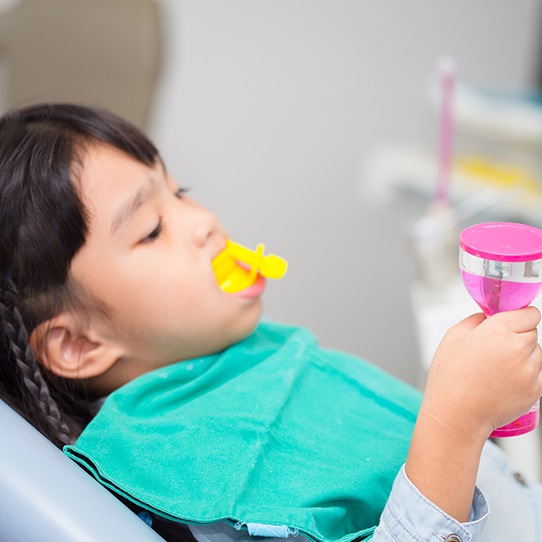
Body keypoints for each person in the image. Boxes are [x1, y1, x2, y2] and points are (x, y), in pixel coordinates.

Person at [1, 103, 542, 542]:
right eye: (151, 229)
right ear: (76, 343)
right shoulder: (188, 475)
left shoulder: (243, 357)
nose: (204, 221)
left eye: (181, 191)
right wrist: (455, 423)